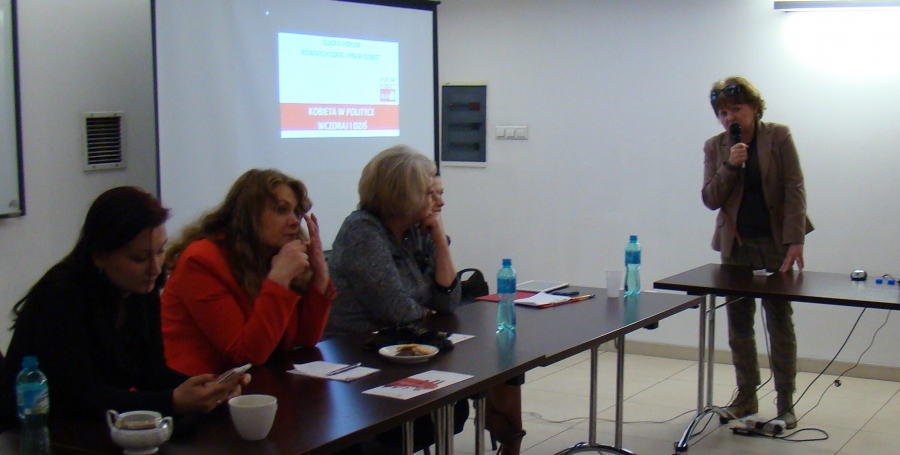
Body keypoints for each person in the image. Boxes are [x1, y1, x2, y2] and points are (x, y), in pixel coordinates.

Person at [0, 187, 245, 431]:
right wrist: (172, 401)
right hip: (33, 430)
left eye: (160, 251)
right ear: (99, 256)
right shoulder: (61, 296)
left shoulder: (140, 286)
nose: (155, 268)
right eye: (139, 258)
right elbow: (76, 397)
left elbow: (149, 371)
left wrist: (209, 388)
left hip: (94, 425)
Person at [702, 76, 813, 429]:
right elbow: (710, 198)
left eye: (736, 109)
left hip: (775, 243)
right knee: (739, 325)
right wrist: (730, 165)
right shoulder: (716, 147)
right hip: (736, 246)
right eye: (723, 113)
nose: (730, 117)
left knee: (779, 322)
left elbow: (794, 187)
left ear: (753, 108)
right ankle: (746, 397)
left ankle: (785, 403)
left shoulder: (778, 136)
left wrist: (796, 239)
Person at [161, 169, 334, 377]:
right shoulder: (201, 261)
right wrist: (279, 280)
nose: (295, 222)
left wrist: (319, 276)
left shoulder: (273, 255)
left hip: (251, 381)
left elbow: (305, 339)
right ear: (249, 216)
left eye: (296, 212)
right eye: (281, 210)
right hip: (196, 386)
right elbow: (244, 354)